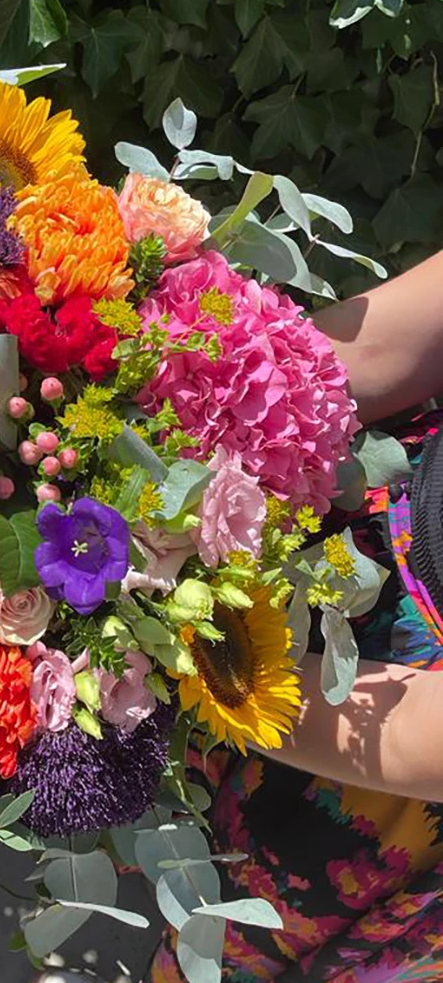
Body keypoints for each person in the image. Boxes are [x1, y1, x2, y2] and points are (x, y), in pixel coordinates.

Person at [148, 250, 443, 982]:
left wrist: (204, 667)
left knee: (227, 940)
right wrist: (202, 407)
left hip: (391, 748)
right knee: (174, 836)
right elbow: (386, 344)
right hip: (360, 521)